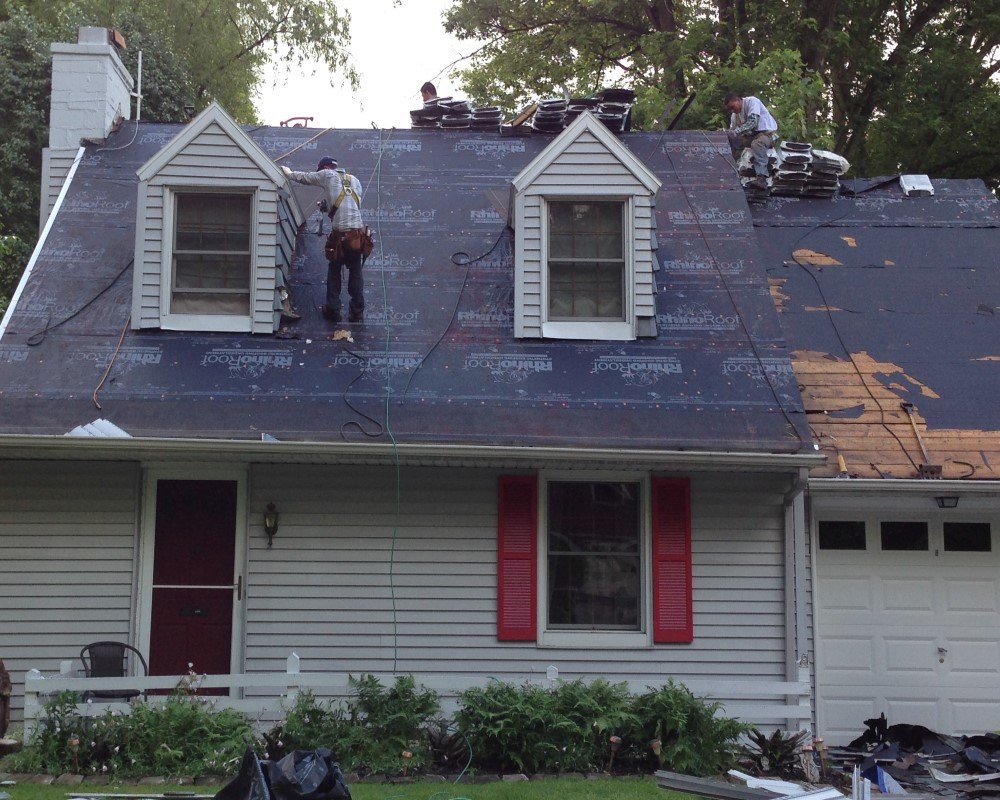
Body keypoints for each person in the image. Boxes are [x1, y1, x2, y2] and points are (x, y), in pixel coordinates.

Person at [282, 156, 366, 323]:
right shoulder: (354, 180)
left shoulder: (327, 175)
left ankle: (333, 310)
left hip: (340, 235)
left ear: (326, 167)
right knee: (356, 272)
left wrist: (288, 173)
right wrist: (328, 207)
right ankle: (357, 312)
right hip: (357, 235)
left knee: (334, 271)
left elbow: (305, 177)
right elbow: (350, 205)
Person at [724, 92, 778, 190]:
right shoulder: (734, 116)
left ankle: (762, 178)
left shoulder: (752, 102)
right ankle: (733, 170)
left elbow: (753, 122)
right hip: (750, 137)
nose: (732, 110)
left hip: (766, 135)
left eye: (732, 107)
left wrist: (735, 132)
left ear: (737, 100)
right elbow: (733, 132)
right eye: (730, 109)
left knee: (757, 144)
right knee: (733, 141)